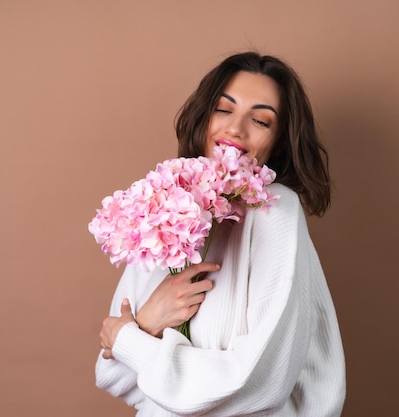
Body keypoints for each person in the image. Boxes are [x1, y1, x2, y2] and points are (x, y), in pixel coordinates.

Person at [96, 52, 346, 416]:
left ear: (278, 141)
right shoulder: (168, 207)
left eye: (260, 120)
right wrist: (147, 323)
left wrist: (132, 341)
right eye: (223, 110)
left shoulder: (276, 209)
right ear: (204, 116)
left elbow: (258, 382)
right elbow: (110, 373)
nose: (235, 129)